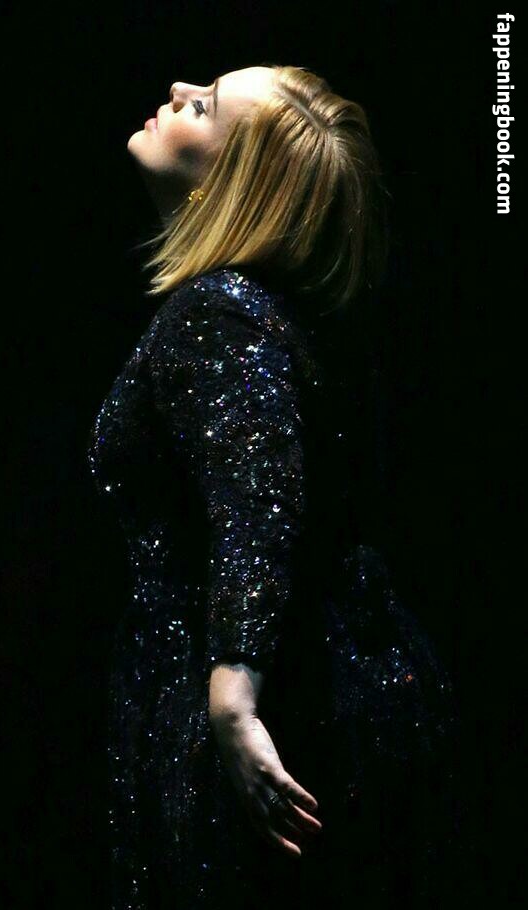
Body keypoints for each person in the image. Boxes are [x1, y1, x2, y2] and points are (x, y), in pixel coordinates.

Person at [87, 64, 462, 908]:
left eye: (206, 107)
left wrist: (233, 694)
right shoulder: (284, 315)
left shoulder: (216, 313)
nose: (178, 89)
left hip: (255, 718)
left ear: (235, 186)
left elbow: (257, 498)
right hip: (335, 690)